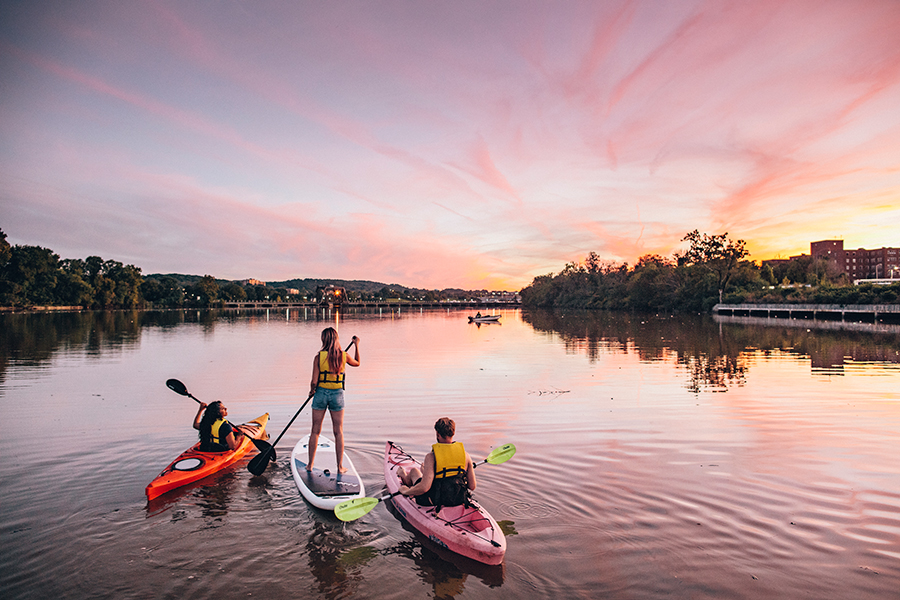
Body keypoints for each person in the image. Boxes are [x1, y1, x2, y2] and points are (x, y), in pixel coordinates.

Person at [307, 327, 360, 473]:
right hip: (337, 395)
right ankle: (340, 467)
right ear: (336, 339)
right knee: (338, 432)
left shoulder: (318, 357)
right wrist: (357, 345)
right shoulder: (344, 356)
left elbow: (314, 381)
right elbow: (357, 363)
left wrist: (311, 391)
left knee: (315, 431)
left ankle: (310, 465)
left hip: (321, 394)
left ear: (324, 339)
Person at [398, 417, 476, 507]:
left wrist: (406, 491)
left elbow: (424, 488)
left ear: (438, 434)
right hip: (458, 499)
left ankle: (403, 474)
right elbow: (472, 486)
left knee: (414, 471)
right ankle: (422, 470)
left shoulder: (431, 457)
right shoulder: (466, 456)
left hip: (434, 501)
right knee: (425, 472)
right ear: (453, 433)